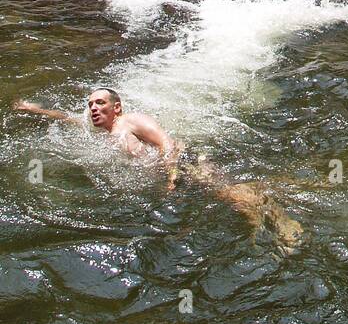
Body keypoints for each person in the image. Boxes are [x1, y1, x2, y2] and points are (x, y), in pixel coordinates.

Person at [12, 89, 302, 248]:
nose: (93, 109)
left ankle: (285, 223)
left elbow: (166, 143)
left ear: (118, 108)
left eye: (100, 103)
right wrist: (33, 109)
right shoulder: (102, 130)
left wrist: (172, 175)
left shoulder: (131, 120)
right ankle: (266, 214)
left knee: (228, 193)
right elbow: (67, 118)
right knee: (226, 197)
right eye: (90, 105)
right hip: (170, 175)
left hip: (184, 164)